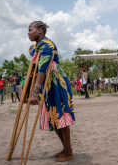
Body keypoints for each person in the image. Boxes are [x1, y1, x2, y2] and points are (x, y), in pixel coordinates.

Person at [28, 21, 75, 162]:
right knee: (53, 116)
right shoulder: (35, 47)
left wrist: (35, 93)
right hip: (47, 86)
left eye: (31, 29)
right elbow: (34, 69)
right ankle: (66, 148)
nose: (28, 32)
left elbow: (42, 68)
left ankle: (69, 152)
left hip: (56, 84)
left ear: (40, 30)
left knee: (61, 116)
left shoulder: (47, 45)